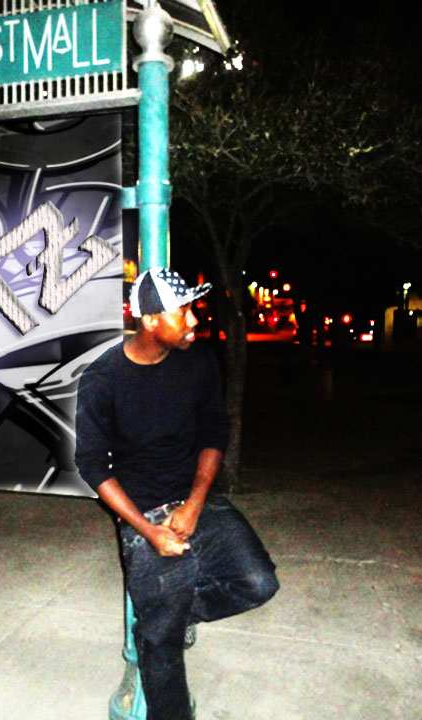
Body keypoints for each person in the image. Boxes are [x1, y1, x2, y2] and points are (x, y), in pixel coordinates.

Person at [75, 267, 279, 720]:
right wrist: (148, 531)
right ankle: (161, 642)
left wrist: (194, 504)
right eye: (182, 312)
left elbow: (214, 431)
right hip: (142, 513)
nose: (193, 320)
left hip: (195, 499)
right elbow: (92, 465)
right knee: (161, 644)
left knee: (258, 582)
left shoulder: (198, 361)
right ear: (150, 320)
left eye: (192, 309)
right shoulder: (103, 379)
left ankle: (173, 616)